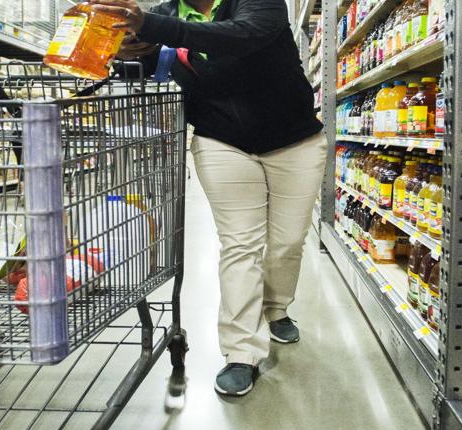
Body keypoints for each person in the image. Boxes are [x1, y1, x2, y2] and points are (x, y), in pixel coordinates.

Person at [94, 0, 326, 399]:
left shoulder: (256, 3)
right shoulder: (165, 13)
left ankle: (276, 307)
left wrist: (154, 27)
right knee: (241, 244)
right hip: (221, 140)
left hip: (295, 140)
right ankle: (242, 352)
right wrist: (134, 51)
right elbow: (146, 69)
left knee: (287, 241)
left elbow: (241, 37)